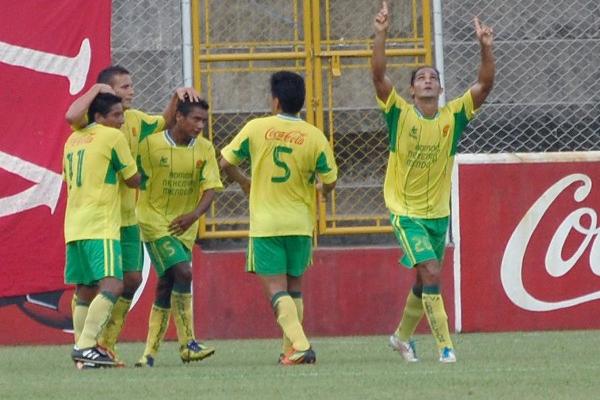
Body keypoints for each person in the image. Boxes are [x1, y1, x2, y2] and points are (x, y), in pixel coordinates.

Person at [371, 1, 494, 363]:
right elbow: (379, 77)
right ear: (410, 91)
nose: (428, 80)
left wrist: (485, 46)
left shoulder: (453, 116)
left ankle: (401, 337)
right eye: (421, 78)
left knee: (425, 279)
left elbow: (484, 86)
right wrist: (380, 34)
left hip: (438, 212)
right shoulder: (398, 113)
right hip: (404, 209)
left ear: (440, 90)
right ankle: (446, 349)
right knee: (431, 269)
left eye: (433, 78)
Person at [65, 65, 200, 364]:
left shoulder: (131, 121)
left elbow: (164, 122)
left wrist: (176, 99)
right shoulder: (98, 128)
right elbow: (72, 116)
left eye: (131, 85)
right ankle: (88, 345)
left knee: (132, 278)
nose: (132, 91)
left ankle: (100, 344)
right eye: (124, 87)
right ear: (107, 94)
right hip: (105, 219)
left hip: (123, 217)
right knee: (106, 283)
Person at [220, 71, 338, 365]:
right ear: (301, 101)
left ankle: (299, 345)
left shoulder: (257, 128)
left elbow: (225, 162)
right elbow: (331, 179)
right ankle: (290, 350)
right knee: (294, 289)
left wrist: (244, 181)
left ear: (274, 101)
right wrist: (322, 188)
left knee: (275, 290)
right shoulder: (315, 136)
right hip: (299, 225)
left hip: (267, 225)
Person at [134, 98, 222, 367]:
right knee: (183, 272)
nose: (200, 126)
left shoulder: (204, 148)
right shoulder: (151, 145)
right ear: (179, 118)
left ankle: (149, 354)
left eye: (203, 121)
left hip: (184, 227)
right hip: (154, 222)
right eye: (195, 119)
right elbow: (131, 173)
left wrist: (194, 215)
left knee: (166, 284)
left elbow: (211, 188)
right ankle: (188, 344)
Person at [64, 92, 141, 368]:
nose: (121, 121)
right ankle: (86, 346)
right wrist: (143, 174)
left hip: (74, 226)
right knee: (113, 283)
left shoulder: (72, 140)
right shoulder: (113, 138)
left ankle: (83, 354)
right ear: (99, 117)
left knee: (85, 289)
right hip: (101, 224)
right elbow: (132, 179)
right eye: (116, 115)